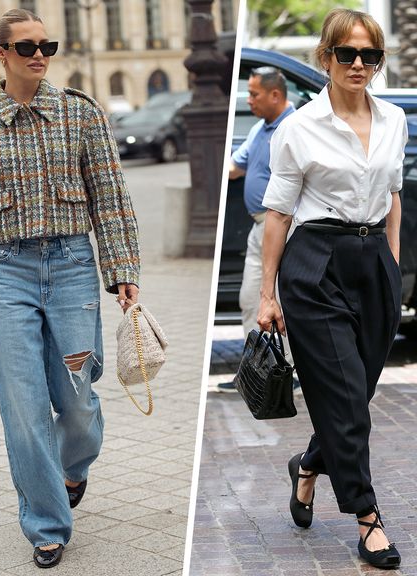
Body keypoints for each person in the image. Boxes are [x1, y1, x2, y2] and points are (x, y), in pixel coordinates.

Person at [0, 8, 139, 570]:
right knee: (25, 409)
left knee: (77, 402)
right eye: (26, 46)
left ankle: (72, 468)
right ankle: (48, 525)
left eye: (46, 45)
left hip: (73, 267)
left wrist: (123, 270)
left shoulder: (81, 115)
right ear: (0, 53)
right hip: (3, 274)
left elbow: (111, 195)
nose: (39, 54)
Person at [258, 8, 406, 570]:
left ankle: (308, 465)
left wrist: (391, 263)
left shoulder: (394, 119)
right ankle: (368, 519)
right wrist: (267, 294)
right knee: (348, 399)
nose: (359, 64)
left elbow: (391, 194)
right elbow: (278, 211)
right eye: (348, 54)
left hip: (374, 267)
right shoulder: (300, 126)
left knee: (355, 395)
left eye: (371, 55)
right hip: (316, 265)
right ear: (326, 58)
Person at [218, 67, 295, 393]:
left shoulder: (294, 128)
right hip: (258, 227)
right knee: (251, 300)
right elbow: (236, 167)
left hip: (284, 227)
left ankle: (286, 375)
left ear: (275, 95)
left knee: (282, 303)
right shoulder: (261, 129)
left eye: (254, 94)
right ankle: (257, 374)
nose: (248, 100)